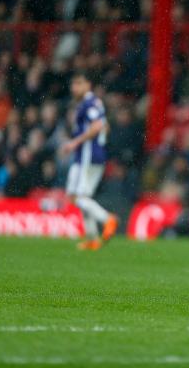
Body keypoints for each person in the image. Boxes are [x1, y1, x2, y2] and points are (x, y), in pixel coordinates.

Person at [61, 72, 118, 250]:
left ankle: (107, 219)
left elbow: (98, 125)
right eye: (73, 84)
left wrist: (75, 142)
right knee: (74, 196)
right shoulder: (92, 103)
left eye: (78, 83)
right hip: (84, 156)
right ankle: (92, 238)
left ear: (88, 85)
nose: (74, 88)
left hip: (88, 156)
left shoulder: (89, 103)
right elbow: (105, 126)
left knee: (79, 197)